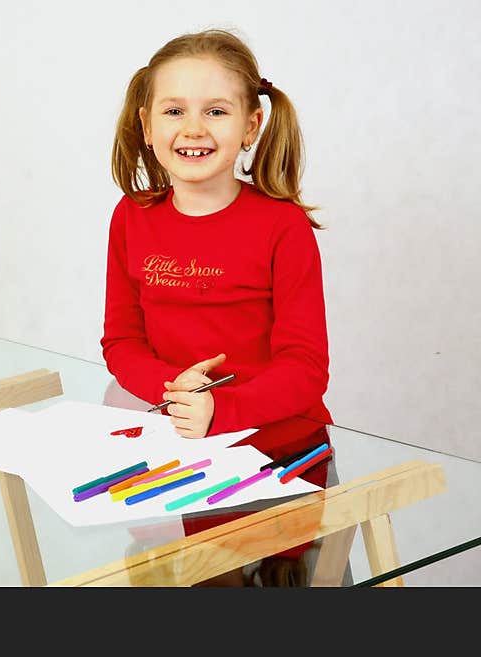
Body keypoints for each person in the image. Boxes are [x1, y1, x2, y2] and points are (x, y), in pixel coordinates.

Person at [100, 28, 343, 586]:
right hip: (181, 452)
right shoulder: (131, 217)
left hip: (284, 461)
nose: (192, 128)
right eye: (174, 110)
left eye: (215, 110)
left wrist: (218, 409)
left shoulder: (282, 226)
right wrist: (177, 391)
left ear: (251, 125)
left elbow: (306, 369)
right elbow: (121, 343)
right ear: (146, 124)